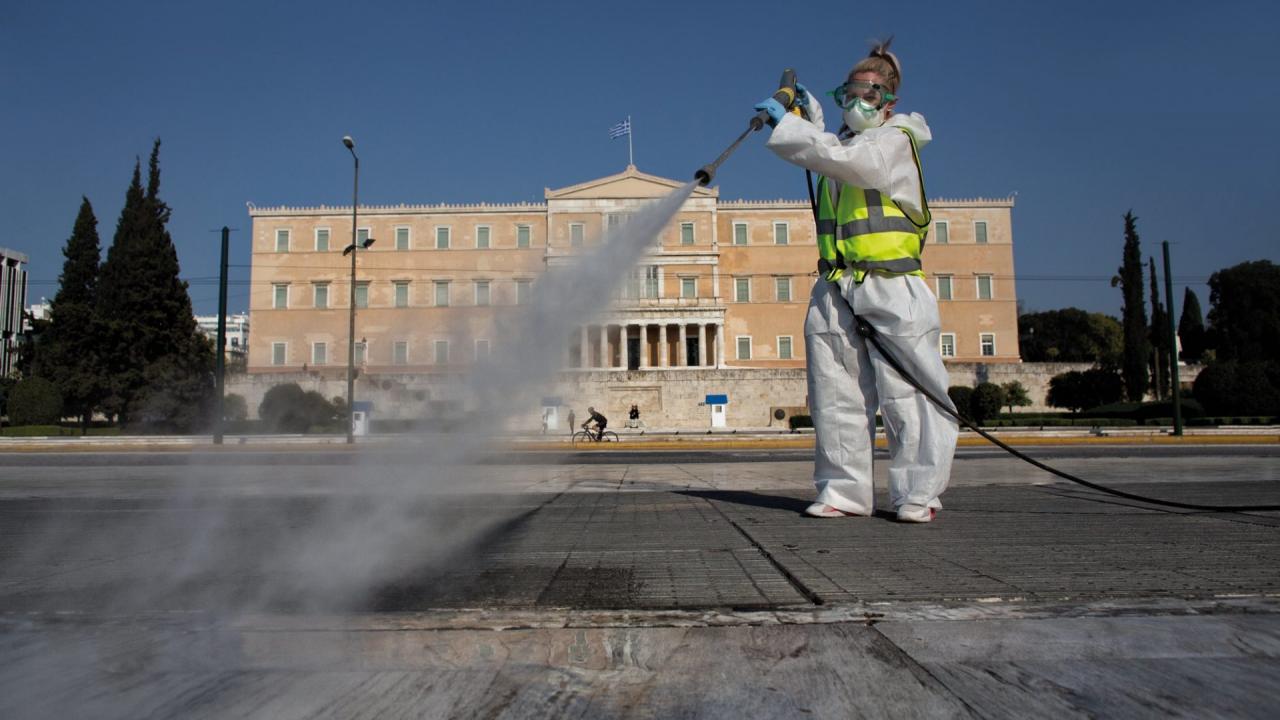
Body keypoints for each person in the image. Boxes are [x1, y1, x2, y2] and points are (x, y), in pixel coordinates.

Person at [754, 38, 958, 523]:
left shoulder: (898, 141)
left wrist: (790, 127)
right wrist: (808, 120)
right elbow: (835, 153)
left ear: (889, 101)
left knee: (909, 395)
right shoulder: (845, 145)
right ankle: (843, 492)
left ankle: (918, 494)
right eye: (848, 92)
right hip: (836, 287)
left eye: (867, 94)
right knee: (835, 394)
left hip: (893, 285)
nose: (856, 103)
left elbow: (854, 161)